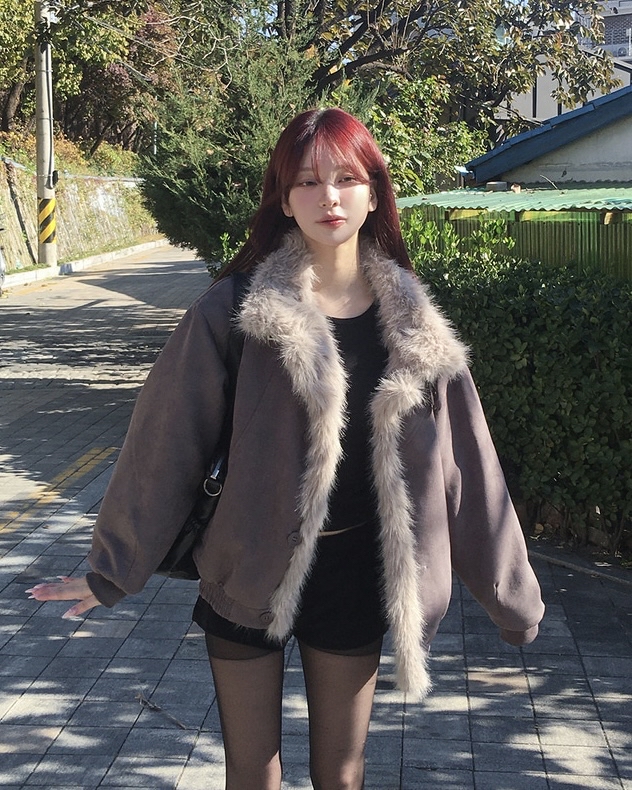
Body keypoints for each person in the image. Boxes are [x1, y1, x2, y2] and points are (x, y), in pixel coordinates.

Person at [27, 108, 545, 790]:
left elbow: (467, 469)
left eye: (346, 178)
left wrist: (513, 599)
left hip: (357, 574)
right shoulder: (233, 310)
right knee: (252, 773)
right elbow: (163, 444)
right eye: (306, 181)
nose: (328, 196)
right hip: (247, 570)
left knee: (342, 773)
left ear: (374, 193)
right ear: (283, 196)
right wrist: (111, 570)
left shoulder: (414, 325)